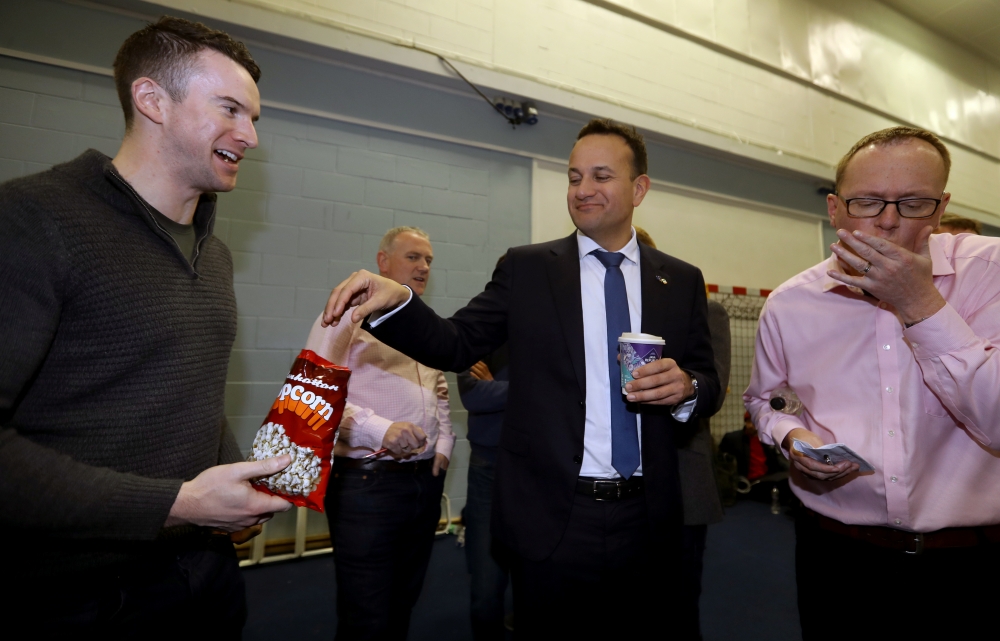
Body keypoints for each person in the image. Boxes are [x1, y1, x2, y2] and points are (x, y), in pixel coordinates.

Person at [322, 119, 720, 638]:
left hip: (648, 515)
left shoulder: (680, 279)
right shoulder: (529, 269)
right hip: (555, 516)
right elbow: (455, 341)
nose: (583, 190)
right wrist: (398, 301)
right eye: (575, 177)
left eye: (601, 176)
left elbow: (708, 380)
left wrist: (687, 388)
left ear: (638, 187)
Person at [0, 16, 292, 633]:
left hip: (205, 576)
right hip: (75, 598)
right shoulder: (31, 221)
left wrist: (235, 483)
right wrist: (178, 503)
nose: (251, 136)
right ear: (152, 100)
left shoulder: (213, 253)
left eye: (254, 118)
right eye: (231, 110)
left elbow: (187, 393)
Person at [745, 126, 1000, 639]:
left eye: (912, 203)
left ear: (941, 204)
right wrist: (792, 439)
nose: (887, 221)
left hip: (973, 564)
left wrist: (920, 303)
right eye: (867, 203)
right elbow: (766, 401)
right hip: (837, 558)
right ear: (835, 209)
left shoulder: (991, 272)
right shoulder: (792, 302)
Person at [305, 226, 454, 641]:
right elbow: (315, 397)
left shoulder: (426, 324)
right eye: (413, 257)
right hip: (366, 487)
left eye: (428, 260)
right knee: (366, 614)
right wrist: (381, 430)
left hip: (424, 483)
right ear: (383, 262)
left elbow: (439, 391)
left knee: (404, 601)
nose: (423, 267)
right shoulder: (345, 316)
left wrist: (444, 443)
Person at [634, 225, 728, 640]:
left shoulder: (705, 310)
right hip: (603, 492)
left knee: (676, 609)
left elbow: (713, 388)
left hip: (681, 482)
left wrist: (681, 386)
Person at [457, 255, 510, 641]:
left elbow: (568, 393)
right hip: (488, 469)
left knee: (542, 579)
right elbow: (473, 395)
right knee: (485, 584)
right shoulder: (478, 327)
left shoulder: (552, 327)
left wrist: (499, 387)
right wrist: (532, 388)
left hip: (540, 468)